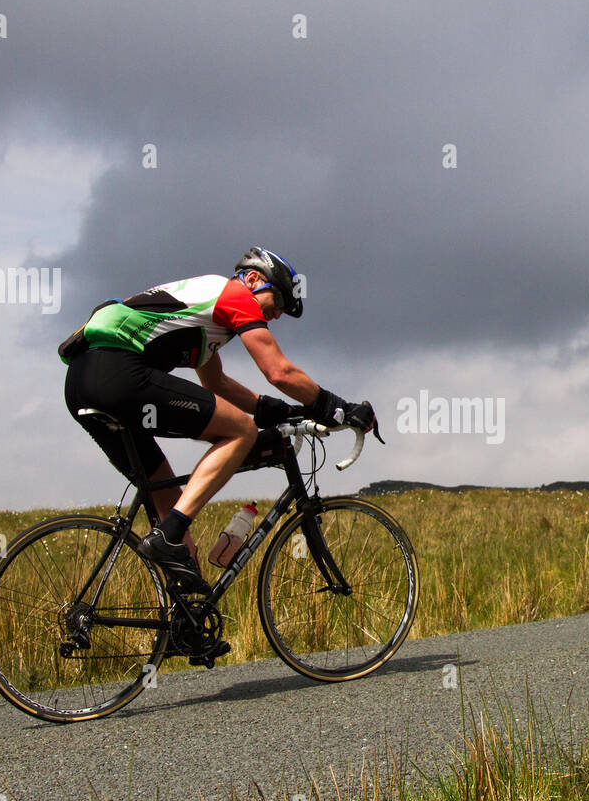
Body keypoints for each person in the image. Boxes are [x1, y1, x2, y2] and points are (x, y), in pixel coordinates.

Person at [60, 246, 374, 593]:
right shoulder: (233, 294)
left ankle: (184, 611)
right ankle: (170, 535)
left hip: (81, 383)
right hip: (118, 373)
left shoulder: (203, 316)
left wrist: (282, 411)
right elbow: (279, 371)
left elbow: (215, 384)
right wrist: (337, 407)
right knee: (240, 429)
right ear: (253, 278)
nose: (278, 315)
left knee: (165, 492)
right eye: (280, 300)